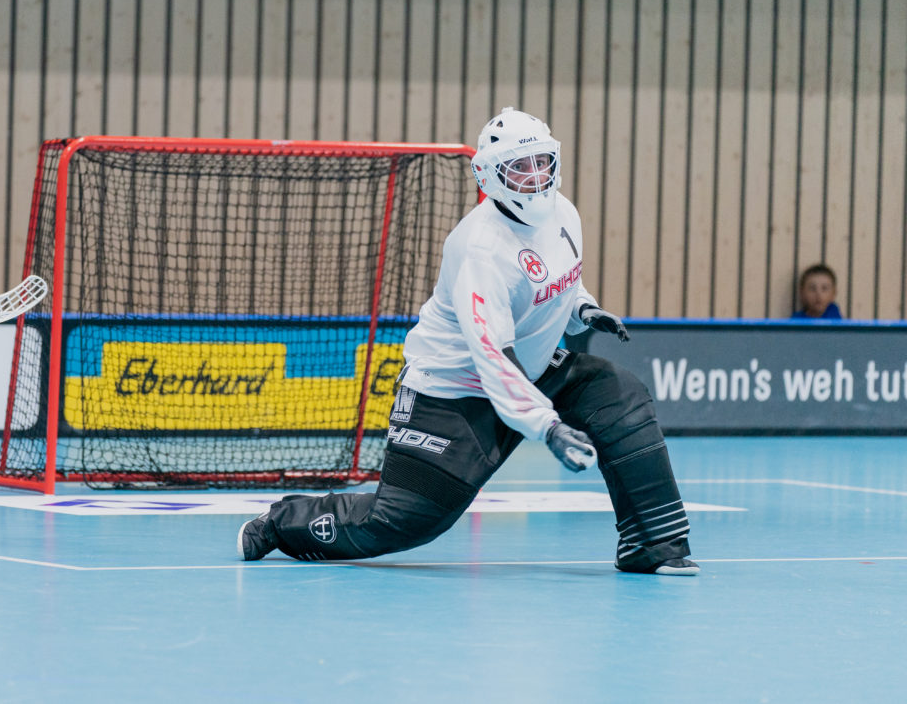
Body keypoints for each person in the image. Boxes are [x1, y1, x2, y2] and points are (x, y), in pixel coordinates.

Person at [238, 108, 698, 575]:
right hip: (454, 392)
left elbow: (557, 277)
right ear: (490, 175)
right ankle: (281, 522)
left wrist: (584, 309)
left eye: (542, 161)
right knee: (400, 521)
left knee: (620, 395)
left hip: (533, 369)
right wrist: (548, 427)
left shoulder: (564, 213)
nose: (536, 176)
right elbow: (493, 357)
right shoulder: (480, 248)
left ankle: (653, 545)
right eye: (520, 167)